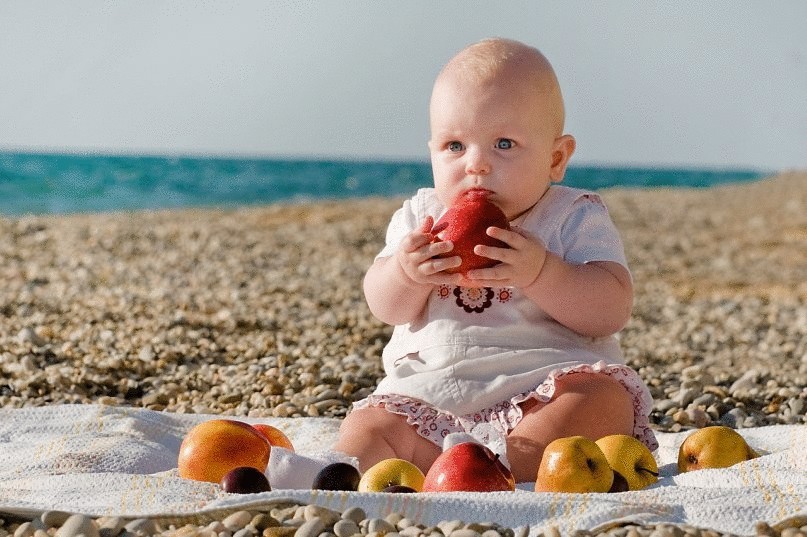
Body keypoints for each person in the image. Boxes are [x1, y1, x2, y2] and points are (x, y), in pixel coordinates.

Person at [332, 37, 657, 484]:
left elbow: (610, 310)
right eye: (454, 146)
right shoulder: (420, 219)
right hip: (428, 399)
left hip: (540, 390)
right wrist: (406, 274)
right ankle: (361, 476)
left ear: (556, 158)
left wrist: (543, 271)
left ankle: (494, 473)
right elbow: (385, 306)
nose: (477, 165)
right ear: (431, 152)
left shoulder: (571, 216)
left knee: (602, 399)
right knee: (367, 428)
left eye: (504, 143)